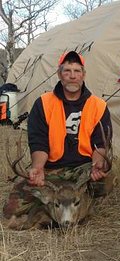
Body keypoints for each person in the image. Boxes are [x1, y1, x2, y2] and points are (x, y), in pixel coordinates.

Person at [3, 51, 113, 221]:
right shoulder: (44, 103)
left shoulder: (98, 106)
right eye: (67, 71)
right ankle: (62, 211)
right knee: (11, 212)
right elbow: (38, 142)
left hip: (83, 169)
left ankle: (67, 206)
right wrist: (38, 167)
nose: (72, 76)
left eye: (77, 71)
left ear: (83, 75)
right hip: (51, 169)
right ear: (59, 74)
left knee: (105, 182)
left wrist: (97, 164)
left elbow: (100, 143)